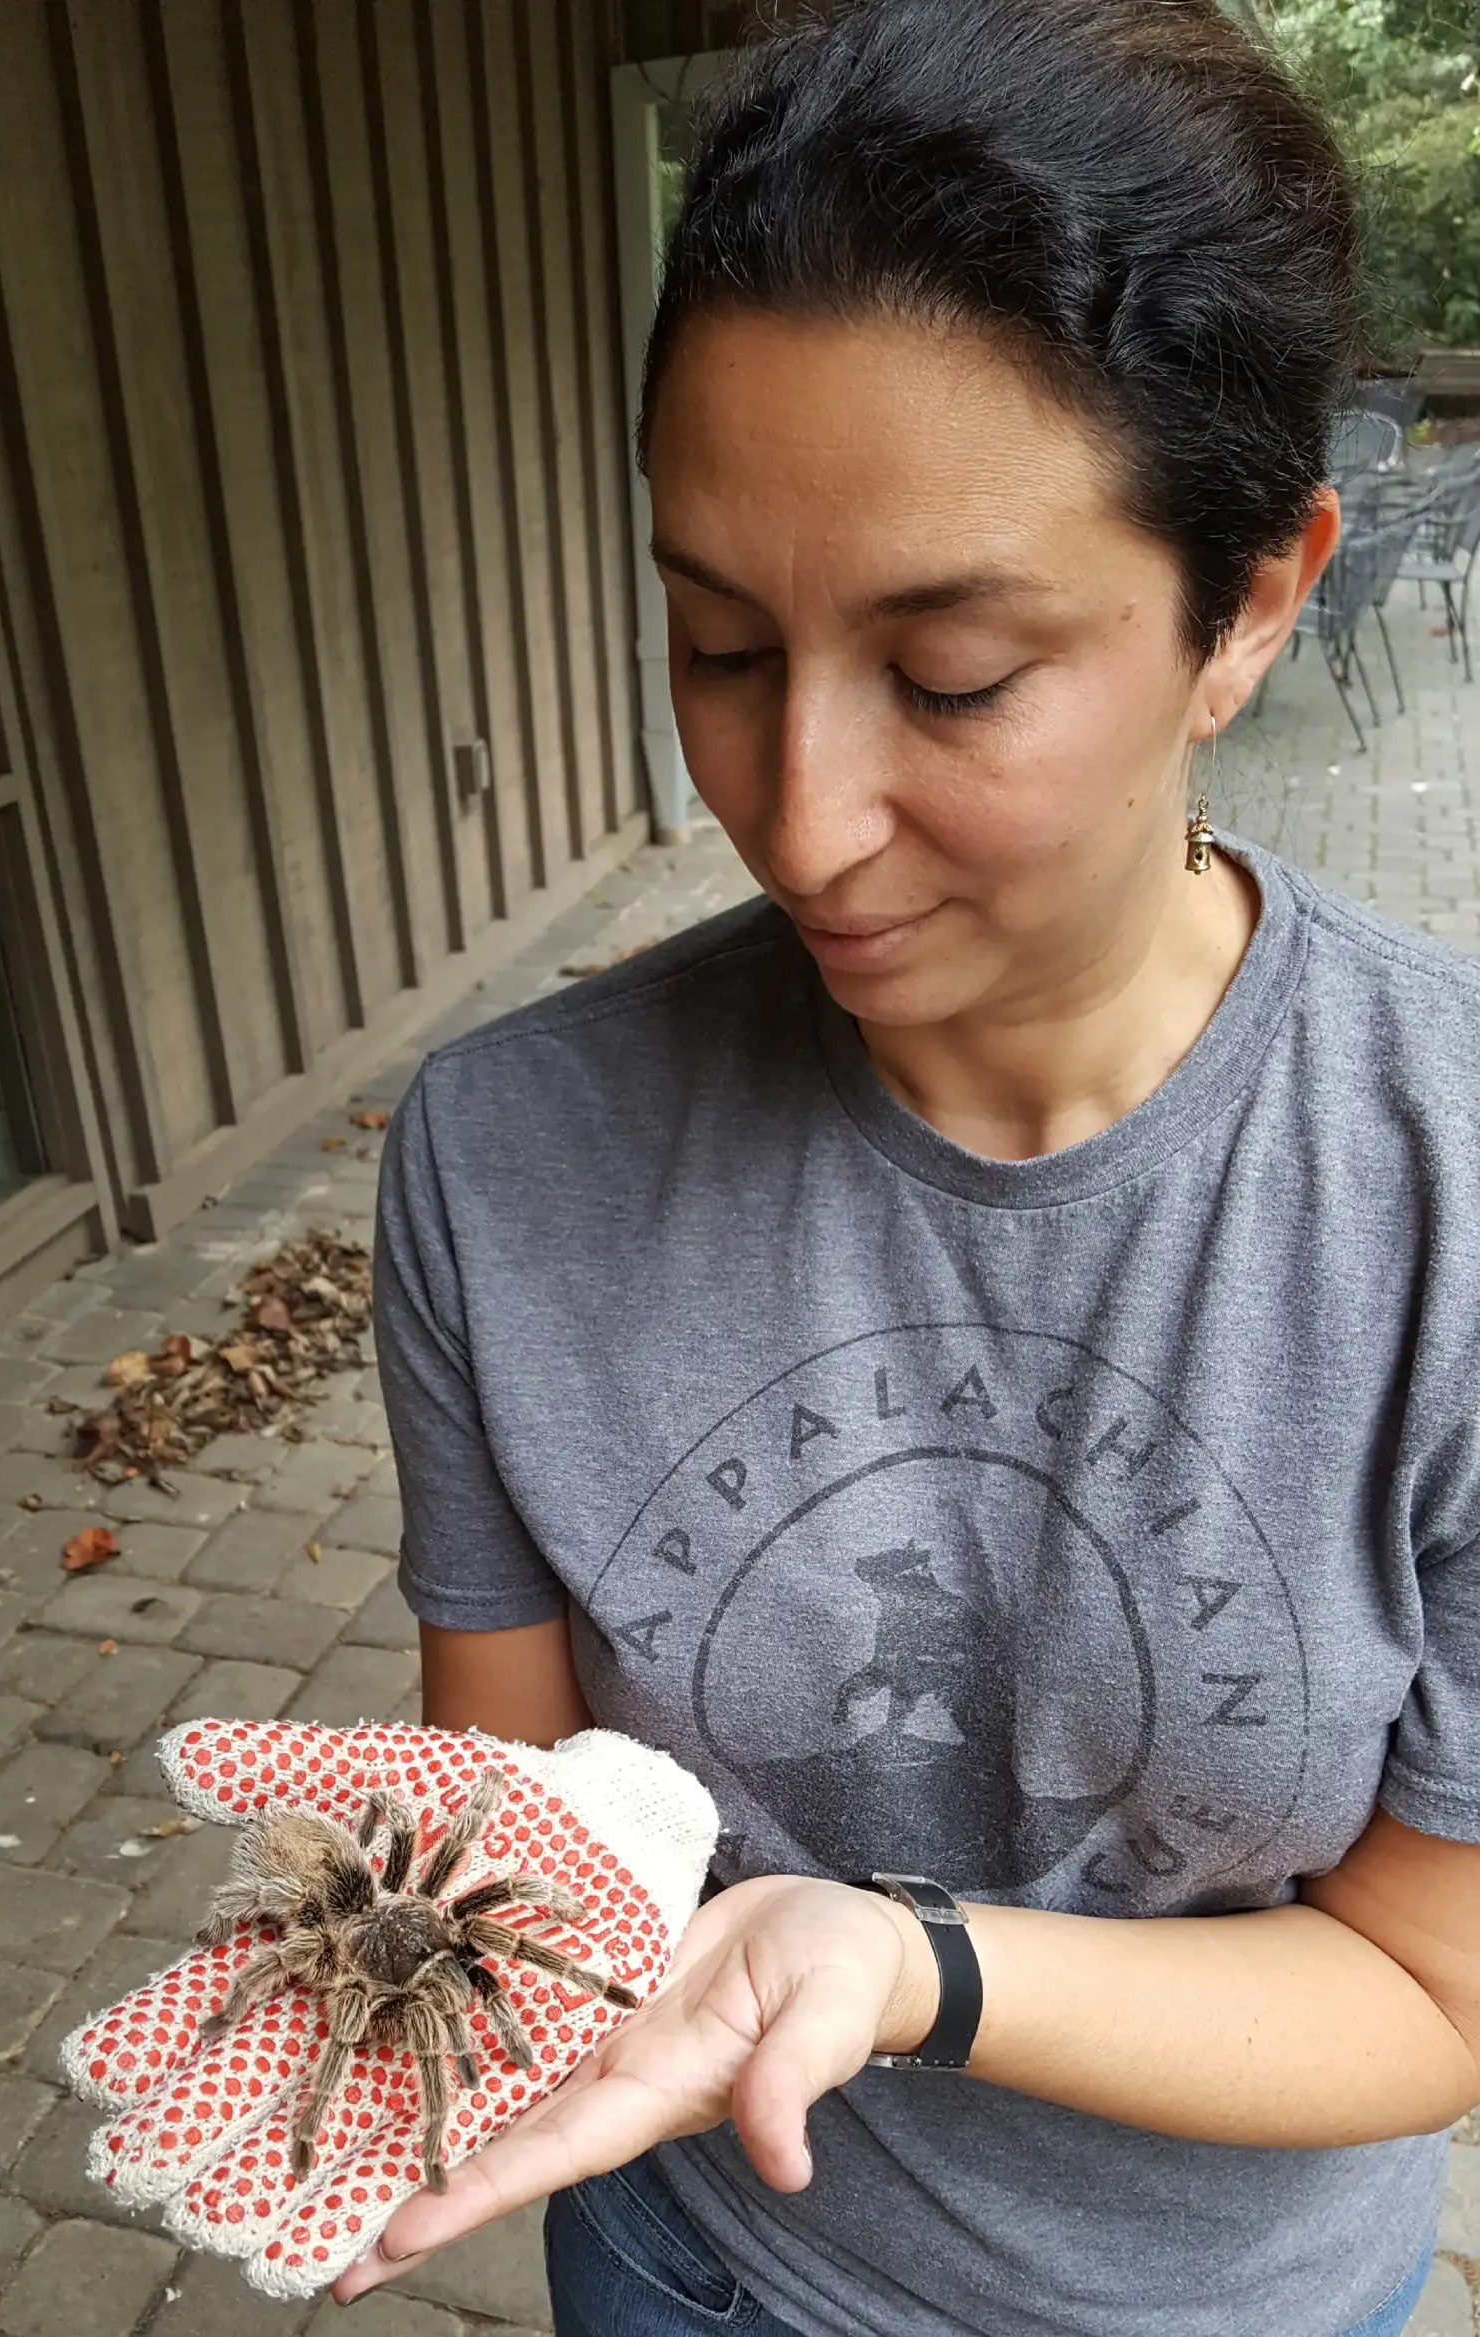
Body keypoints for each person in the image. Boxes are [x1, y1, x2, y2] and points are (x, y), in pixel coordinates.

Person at [336, 2, 1480, 2330]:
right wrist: (398, 1935)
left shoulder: (1439, 1190)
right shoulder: (502, 1158)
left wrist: (908, 1964)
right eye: (716, 642)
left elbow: (1429, 1989)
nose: (793, 814)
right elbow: (513, 1809)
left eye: (949, 677)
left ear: (1251, 599)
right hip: (701, 2262)